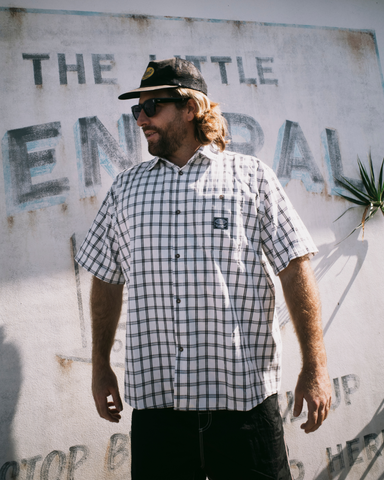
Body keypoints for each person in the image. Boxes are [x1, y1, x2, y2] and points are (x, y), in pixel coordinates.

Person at [75, 58, 332, 480]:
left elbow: (294, 268)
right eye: (135, 110)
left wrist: (316, 366)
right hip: (160, 414)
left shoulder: (252, 178)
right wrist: (100, 366)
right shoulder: (125, 189)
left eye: (152, 106)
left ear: (191, 108)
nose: (140, 119)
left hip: (244, 409)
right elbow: (106, 277)